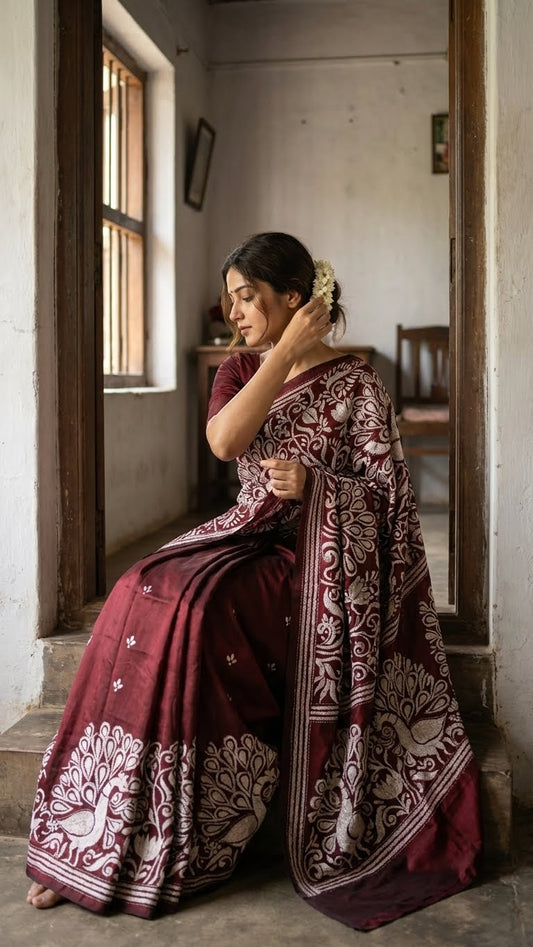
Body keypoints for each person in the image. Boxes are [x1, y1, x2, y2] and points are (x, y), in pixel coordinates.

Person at [26, 232, 481, 930]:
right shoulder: (240, 369)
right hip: (241, 533)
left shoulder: (356, 383)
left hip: (316, 563)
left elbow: (388, 502)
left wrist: (316, 485)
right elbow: (226, 441)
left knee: (201, 609)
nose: (231, 310)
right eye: (230, 297)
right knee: (140, 585)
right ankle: (96, 834)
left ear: (292, 298)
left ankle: (181, 835)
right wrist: (282, 354)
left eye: (246, 297)